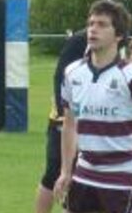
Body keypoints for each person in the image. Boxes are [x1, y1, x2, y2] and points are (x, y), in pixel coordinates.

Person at [53, 0, 132, 213]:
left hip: (124, 182)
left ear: (119, 36)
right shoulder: (72, 72)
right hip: (84, 177)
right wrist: (65, 171)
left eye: (102, 25)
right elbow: (70, 124)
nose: (93, 29)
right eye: (91, 23)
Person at [35, 30, 86, 213]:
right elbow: (60, 76)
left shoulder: (116, 44)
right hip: (66, 118)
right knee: (54, 174)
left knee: (86, 177)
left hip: (92, 121)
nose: (96, 28)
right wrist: (61, 110)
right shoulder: (80, 40)